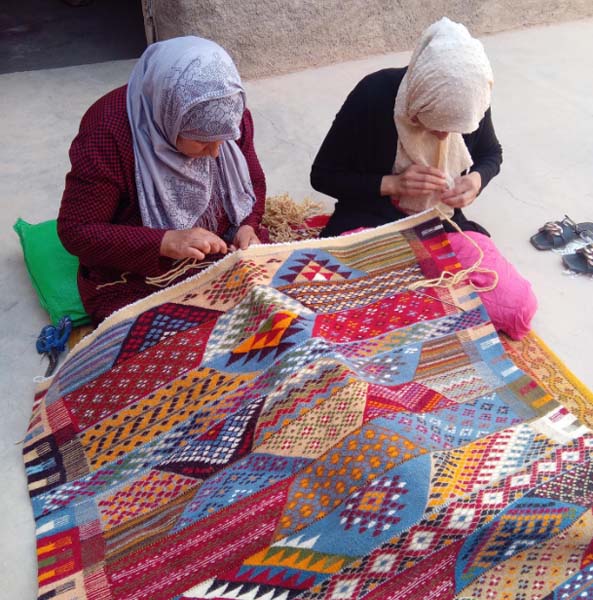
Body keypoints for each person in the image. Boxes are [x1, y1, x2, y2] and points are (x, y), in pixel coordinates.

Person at [310, 17, 536, 339]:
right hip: (372, 221)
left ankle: (422, 302)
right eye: (436, 124)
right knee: (337, 301)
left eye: (455, 128)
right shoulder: (374, 94)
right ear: (418, 96)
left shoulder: (470, 100)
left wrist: (475, 181)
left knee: (517, 309)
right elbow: (323, 176)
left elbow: (490, 154)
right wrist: (394, 184)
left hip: (439, 225)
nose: (445, 136)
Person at [58, 36, 268, 325]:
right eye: (201, 141)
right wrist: (165, 241)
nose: (217, 152)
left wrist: (248, 225)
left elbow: (252, 181)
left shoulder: (228, 112)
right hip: (144, 270)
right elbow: (77, 230)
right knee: (162, 331)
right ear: (168, 119)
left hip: (222, 245)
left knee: (272, 302)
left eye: (225, 139)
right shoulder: (108, 132)